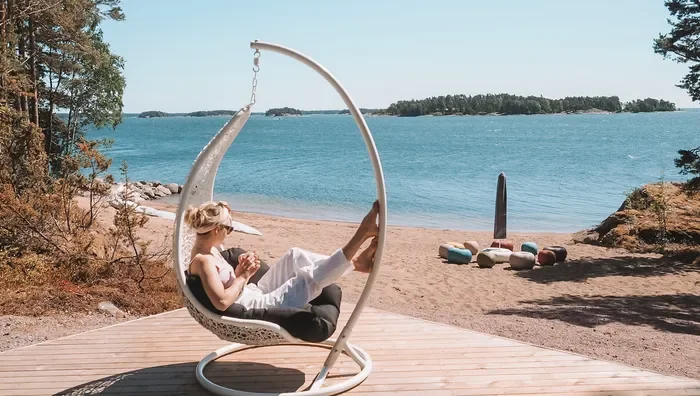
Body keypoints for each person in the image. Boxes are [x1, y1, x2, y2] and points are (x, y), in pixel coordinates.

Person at [185, 200, 379, 311]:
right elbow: (222, 302)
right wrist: (243, 277)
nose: (230, 232)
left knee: (295, 256)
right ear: (217, 229)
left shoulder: (210, 250)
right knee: (308, 277)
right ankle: (361, 234)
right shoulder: (203, 262)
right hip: (256, 305)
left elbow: (224, 285)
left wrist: (240, 273)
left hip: (252, 292)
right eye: (229, 228)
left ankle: (356, 263)